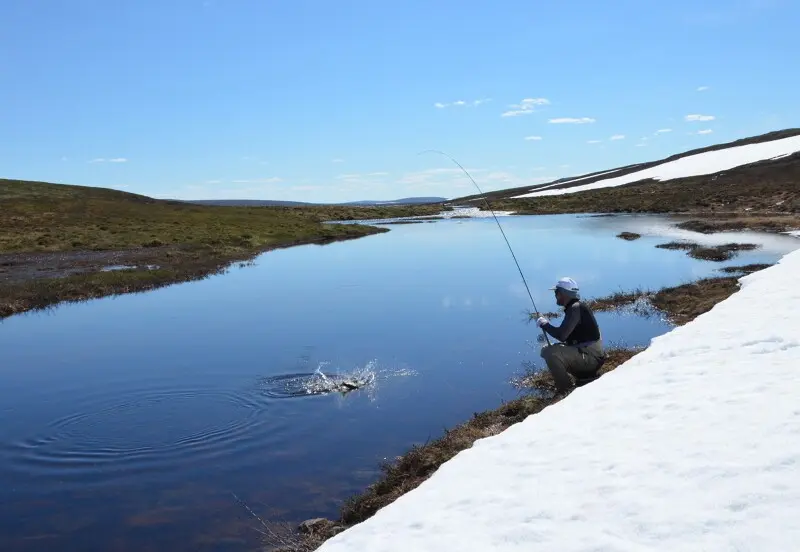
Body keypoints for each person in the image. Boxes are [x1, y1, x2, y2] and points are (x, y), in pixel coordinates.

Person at [535, 277, 606, 395]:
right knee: (547, 350)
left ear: (563, 293)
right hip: (590, 357)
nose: (555, 295)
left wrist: (545, 324)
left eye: (556, 292)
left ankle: (565, 390)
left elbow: (562, 335)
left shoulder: (575, 308)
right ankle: (581, 380)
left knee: (549, 352)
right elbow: (568, 337)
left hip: (590, 360)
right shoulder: (575, 308)